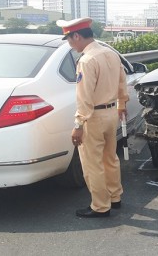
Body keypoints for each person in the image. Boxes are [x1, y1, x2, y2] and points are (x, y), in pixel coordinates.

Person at [57, 17, 129, 218]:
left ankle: (100, 206)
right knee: (111, 158)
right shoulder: (111, 54)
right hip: (111, 112)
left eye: (70, 40)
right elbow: (122, 81)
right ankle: (115, 198)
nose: (71, 45)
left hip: (93, 117)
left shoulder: (87, 60)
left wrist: (79, 123)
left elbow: (85, 96)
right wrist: (122, 104)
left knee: (92, 164)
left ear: (77, 36)